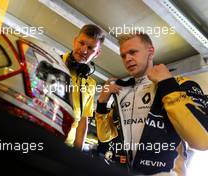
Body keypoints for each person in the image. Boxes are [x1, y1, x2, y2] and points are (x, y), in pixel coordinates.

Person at [95, 31, 208, 175]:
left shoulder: (180, 84)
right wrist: (101, 103)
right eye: (123, 55)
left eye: (133, 52)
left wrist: (167, 84)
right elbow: (106, 136)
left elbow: (202, 140)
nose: (127, 59)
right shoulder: (122, 92)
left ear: (151, 51)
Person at [62, 24, 105, 150]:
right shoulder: (53, 62)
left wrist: (77, 155)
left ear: (97, 53)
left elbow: (83, 120)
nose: (84, 50)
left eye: (91, 48)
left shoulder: (91, 84)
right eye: (81, 43)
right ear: (75, 41)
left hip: (68, 147)